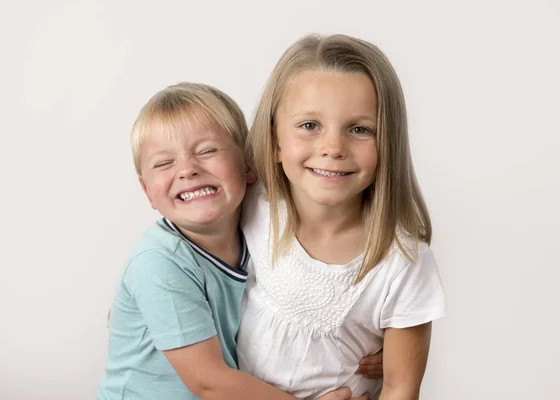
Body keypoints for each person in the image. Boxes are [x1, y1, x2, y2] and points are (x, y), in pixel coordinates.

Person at [97, 82, 371, 400]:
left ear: (249, 166)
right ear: (148, 193)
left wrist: (376, 346)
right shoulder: (159, 262)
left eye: (207, 151)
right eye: (163, 163)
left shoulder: (260, 230)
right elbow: (209, 381)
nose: (187, 169)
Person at [237, 34, 447, 400]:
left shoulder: (401, 262)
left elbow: (401, 388)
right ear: (274, 141)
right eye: (309, 125)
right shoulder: (252, 206)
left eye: (359, 129)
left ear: (388, 144)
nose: (333, 148)